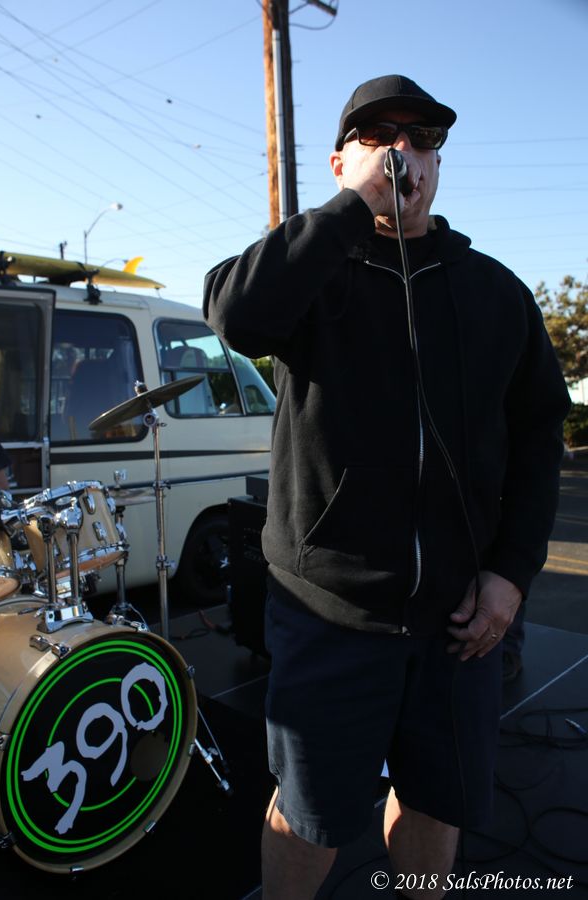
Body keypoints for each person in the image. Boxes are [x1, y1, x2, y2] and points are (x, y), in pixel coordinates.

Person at [203, 75, 570, 899]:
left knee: (436, 799)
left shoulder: (495, 293)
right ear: (341, 161)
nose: (403, 150)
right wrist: (347, 212)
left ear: (438, 164)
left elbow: (539, 436)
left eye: (422, 137)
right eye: (378, 135)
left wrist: (511, 573)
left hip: (458, 622)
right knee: (311, 812)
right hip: (327, 615)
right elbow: (236, 316)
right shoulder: (310, 274)